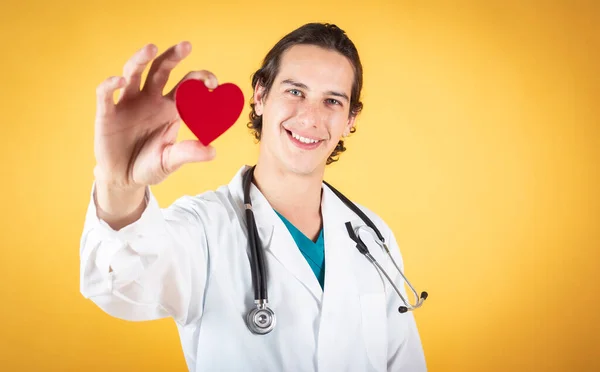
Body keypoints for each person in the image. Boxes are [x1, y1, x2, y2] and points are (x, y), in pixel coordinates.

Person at [80, 22, 427, 371]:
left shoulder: (371, 236)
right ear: (260, 96)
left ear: (350, 119)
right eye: (295, 92)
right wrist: (120, 186)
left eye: (332, 101)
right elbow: (123, 286)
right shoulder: (202, 228)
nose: (310, 116)